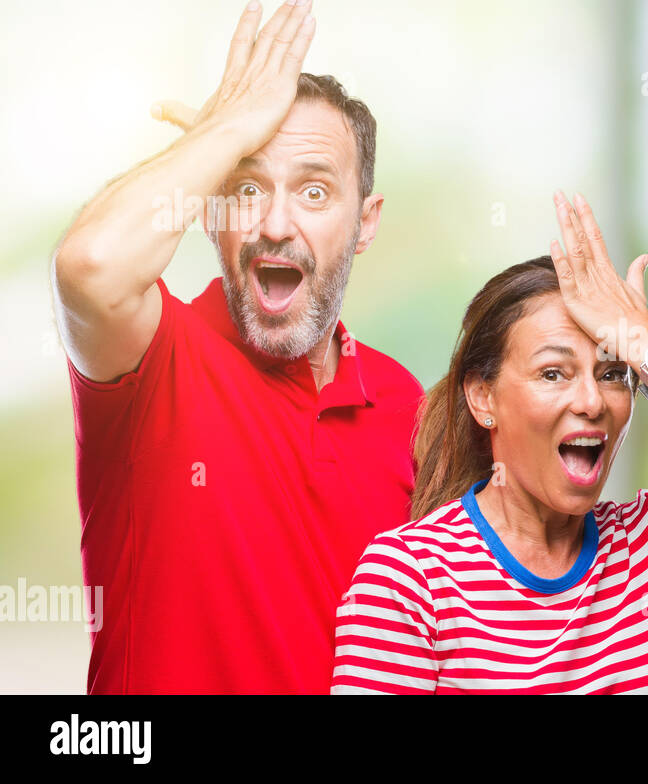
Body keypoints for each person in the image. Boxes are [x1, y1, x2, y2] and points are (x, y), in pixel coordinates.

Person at [51, 0, 424, 693]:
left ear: (365, 222)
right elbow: (90, 265)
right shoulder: (155, 355)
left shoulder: (409, 405)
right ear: (206, 211)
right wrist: (225, 131)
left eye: (314, 190)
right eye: (247, 189)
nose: (276, 223)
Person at [331, 192, 648, 694]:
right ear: (482, 397)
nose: (591, 401)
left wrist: (644, 342)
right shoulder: (409, 579)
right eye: (553, 373)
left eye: (611, 373)